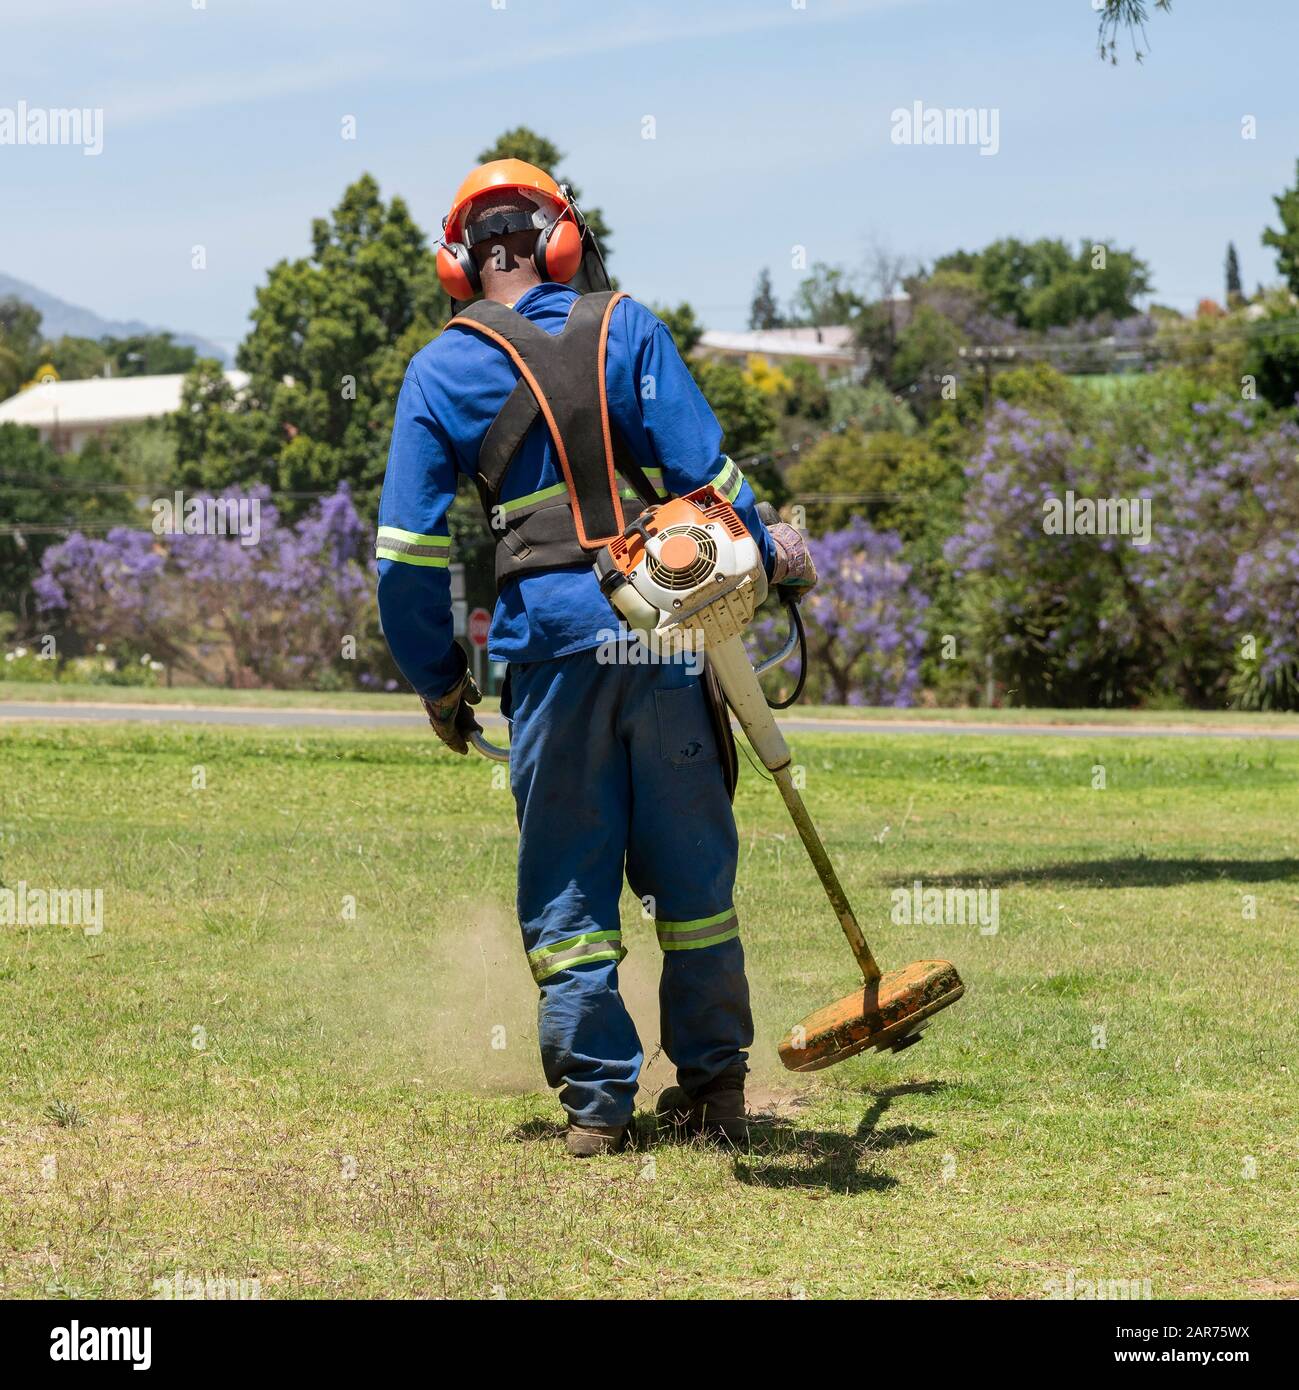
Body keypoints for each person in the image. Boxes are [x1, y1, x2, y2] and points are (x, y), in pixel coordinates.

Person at [376, 159, 816, 1156]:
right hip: (663, 633)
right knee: (692, 877)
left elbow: (407, 557)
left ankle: (596, 1109)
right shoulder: (628, 327)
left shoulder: (439, 369)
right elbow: (712, 482)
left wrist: (440, 680)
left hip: (551, 651)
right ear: (560, 241)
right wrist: (769, 544)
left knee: (569, 887)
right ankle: (716, 1089)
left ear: (459, 262)